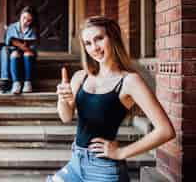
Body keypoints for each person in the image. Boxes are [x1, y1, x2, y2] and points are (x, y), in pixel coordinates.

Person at [47, 16, 175, 182]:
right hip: (76, 162)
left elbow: (166, 130)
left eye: (99, 39)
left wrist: (121, 152)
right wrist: (63, 99)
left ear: (113, 38)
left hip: (103, 168)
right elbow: (65, 117)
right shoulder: (80, 77)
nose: (94, 48)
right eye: (88, 43)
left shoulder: (129, 81)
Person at [2, 6, 39, 94]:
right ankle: (16, 83)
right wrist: (20, 45)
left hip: (28, 52)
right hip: (14, 51)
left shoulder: (33, 29)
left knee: (28, 54)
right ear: (20, 16)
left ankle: (28, 82)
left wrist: (20, 44)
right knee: (14, 54)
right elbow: (8, 43)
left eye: (29, 20)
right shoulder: (12, 27)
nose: (25, 21)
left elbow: (33, 46)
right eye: (24, 18)